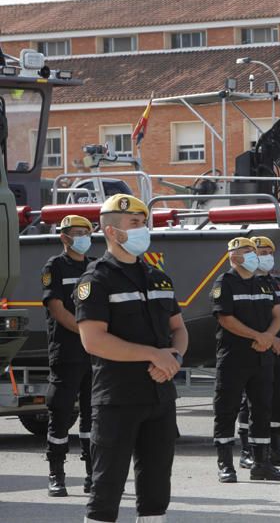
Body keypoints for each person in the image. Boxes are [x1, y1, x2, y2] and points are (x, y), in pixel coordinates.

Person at [75, 194, 188, 523]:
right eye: (135, 224)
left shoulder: (158, 276)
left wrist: (174, 359)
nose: (143, 229)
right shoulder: (96, 280)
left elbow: (178, 330)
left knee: (156, 494)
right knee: (106, 491)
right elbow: (93, 340)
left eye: (144, 223)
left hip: (159, 397)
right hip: (118, 400)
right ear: (112, 232)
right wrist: (154, 355)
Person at [210, 237, 280, 484]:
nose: (254, 256)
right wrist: (259, 336)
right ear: (234, 257)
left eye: (254, 252)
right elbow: (225, 319)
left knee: (262, 409)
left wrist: (268, 337)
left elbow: (278, 315)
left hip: (261, 357)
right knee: (227, 409)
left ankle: (261, 464)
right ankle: (225, 465)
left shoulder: (263, 284)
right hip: (234, 357)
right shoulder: (225, 283)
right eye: (248, 252)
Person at [236, 236, 280, 470]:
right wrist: (270, 340)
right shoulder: (247, 283)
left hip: (279, 349)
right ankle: (247, 449)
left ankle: (277, 447)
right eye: (260, 252)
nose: (265, 257)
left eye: (268, 252)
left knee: (276, 398)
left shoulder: (278, 284)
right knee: (251, 402)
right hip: (258, 348)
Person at [41, 215, 95, 497]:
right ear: (64, 237)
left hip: (94, 355)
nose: (84, 237)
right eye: (77, 233)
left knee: (92, 416)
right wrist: (87, 332)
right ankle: (56, 473)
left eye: (87, 232)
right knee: (60, 413)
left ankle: (92, 475)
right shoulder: (55, 266)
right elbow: (57, 309)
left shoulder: (95, 266)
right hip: (67, 352)